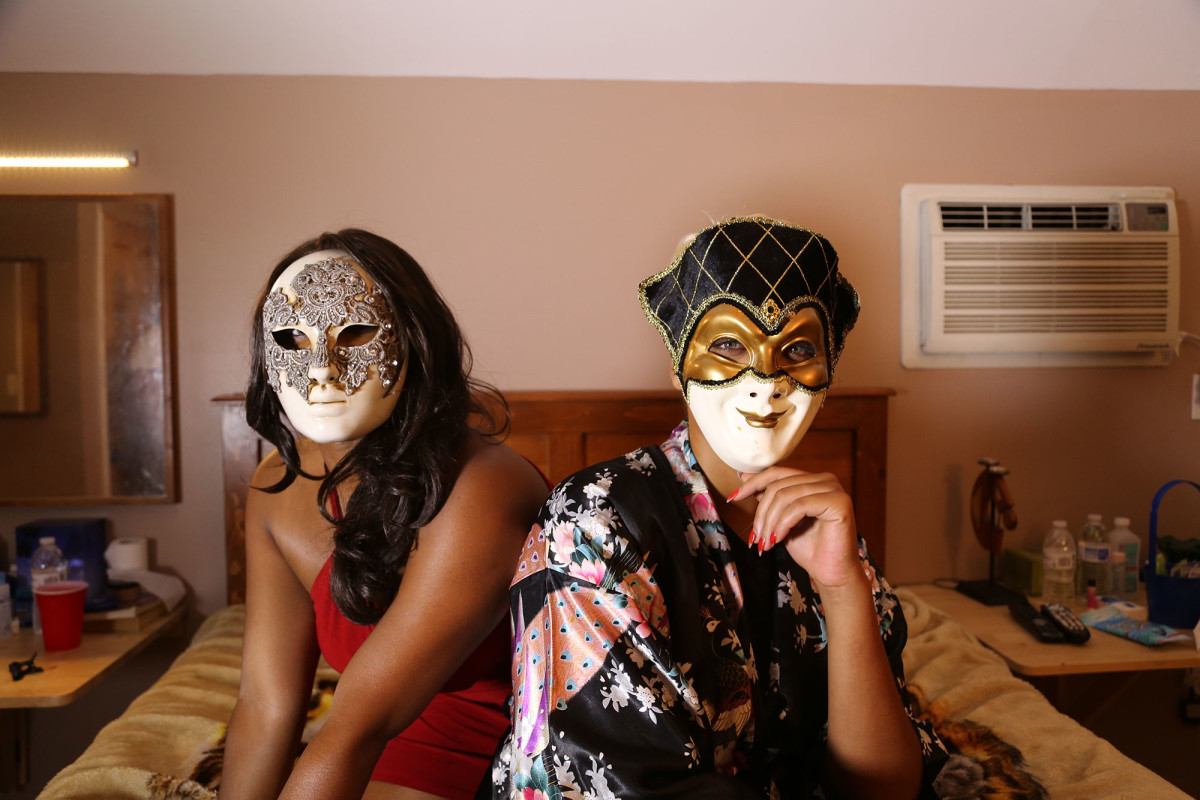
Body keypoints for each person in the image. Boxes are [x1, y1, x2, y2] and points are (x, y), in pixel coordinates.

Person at [490, 216, 949, 799]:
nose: (766, 381)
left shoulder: (831, 533)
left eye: (798, 349)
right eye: (729, 344)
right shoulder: (592, 521)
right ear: (678, 363)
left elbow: (884, 789)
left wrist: (843, 589)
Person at [222, 229, 548, 800]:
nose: (322, 369)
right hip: (368, 744)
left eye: (354, 332)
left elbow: (358, 728)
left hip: (503, 757)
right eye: (293, 338)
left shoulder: (483, 486)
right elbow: (266, 705)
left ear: (415, 339)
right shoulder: (277, 485)